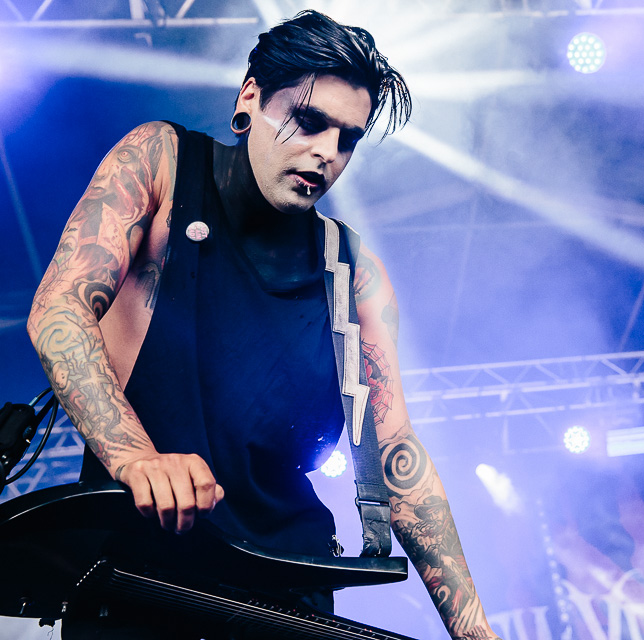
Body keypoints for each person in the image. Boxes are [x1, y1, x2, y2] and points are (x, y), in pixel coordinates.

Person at [26, 11, 501, 640]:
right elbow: (59, 308)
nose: (327, 152)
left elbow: (395, 450)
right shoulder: (161, 162)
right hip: (139, 581)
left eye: (348, 139)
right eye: (309, 121)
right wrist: (137, 459)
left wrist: (476, 633)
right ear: (250, 98)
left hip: (285, 597)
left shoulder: (353, 272)